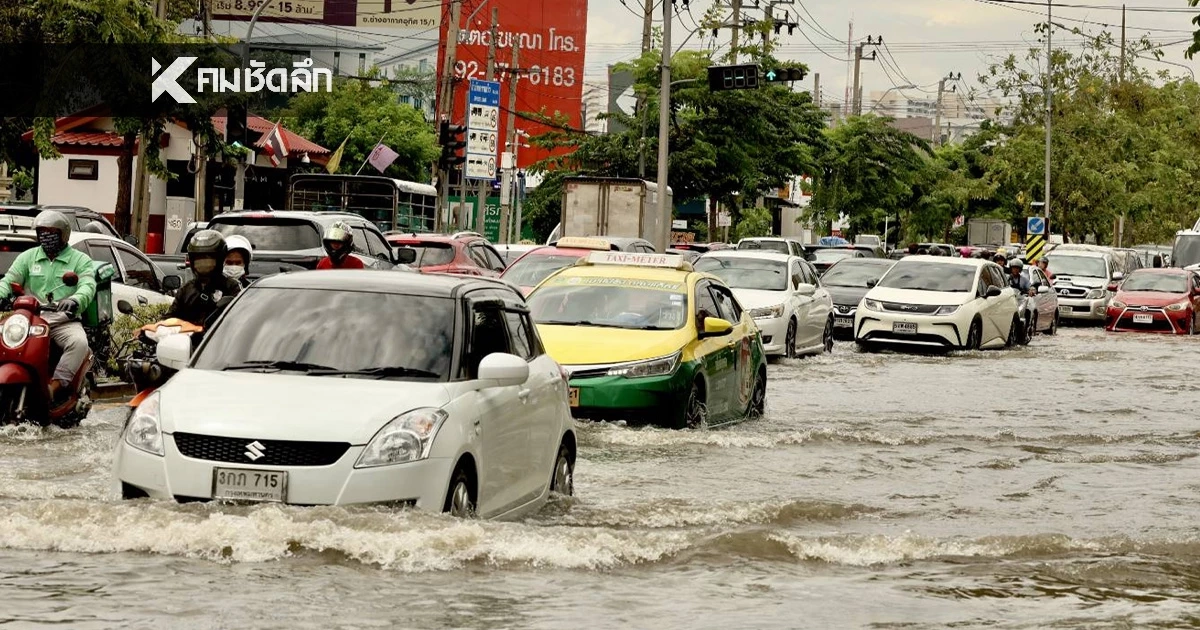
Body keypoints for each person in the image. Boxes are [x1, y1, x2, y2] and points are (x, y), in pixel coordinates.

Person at [0, 211, 96, 403]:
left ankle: (56, 386)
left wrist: (75, 300)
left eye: (51, 232)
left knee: (79, 343)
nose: (45, 236)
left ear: (63, 234)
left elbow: (88, 285)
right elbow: (9, 280)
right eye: (41, 232)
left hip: (62, 321)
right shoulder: (28, 257)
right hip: (30, 321)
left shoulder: (80, 260)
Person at [166, 229, 242, 327]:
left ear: (220, 259)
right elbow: (170, 318)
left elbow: (238, 320)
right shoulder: (186, 290)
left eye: (208, 260)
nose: (203, 265)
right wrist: (156, 329)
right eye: (199, 260)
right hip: (187, 341)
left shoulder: (232, 287)